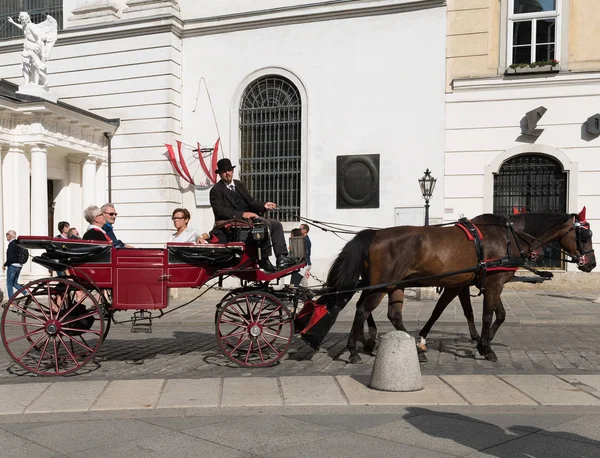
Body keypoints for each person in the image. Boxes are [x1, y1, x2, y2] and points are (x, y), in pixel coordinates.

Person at [209, 158, 295, 272]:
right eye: (224, 171)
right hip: (233, 222)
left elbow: (251, 202)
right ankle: (263, 259)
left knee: (276, 224)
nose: (227, 173)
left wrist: (264, 205)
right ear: (219, 173)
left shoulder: (239, 184)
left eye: (229, 170)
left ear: (232, 171)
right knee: (265, 224)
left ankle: (282, 257)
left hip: (249, 219)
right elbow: (220, 211)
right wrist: (243, 214)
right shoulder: (216, 190)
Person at [7, 12, 57, 88]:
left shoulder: (30, 26)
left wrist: (38, 45)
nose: (23, 21)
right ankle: (27, 83)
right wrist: (13, 22)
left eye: (25, 19)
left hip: (33, 47)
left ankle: (37, 83)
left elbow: (37, 35)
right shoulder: (25, 26)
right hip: (27, 47)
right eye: (22, 19)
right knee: (25, 65)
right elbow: (21, 27)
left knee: (35, 66)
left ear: (28, 19)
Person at [3, 230, 25, 300]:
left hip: (13, 266)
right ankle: (26, 293)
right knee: (14, 283)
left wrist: (5, 265)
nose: (6, 236)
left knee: (9, 284)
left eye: (7, 235)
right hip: (19, 266)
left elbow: (10, 257)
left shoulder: (11, 244)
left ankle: (11, 301)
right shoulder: (18, 243)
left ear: (10, 236)